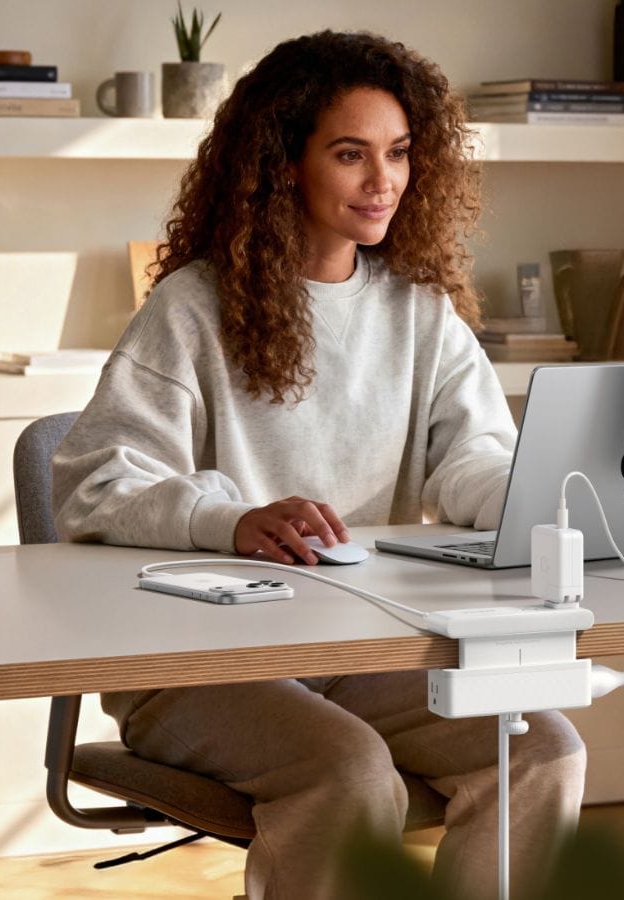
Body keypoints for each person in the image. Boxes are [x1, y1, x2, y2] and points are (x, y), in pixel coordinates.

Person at [51, 29, 586, 900]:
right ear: (284, 164)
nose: (384, 180)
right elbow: (93, 483)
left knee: (541, 748)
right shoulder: (192, 308)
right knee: (350, 773)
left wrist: (551, 496)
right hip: (197, 663)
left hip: (360, 645)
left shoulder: (419, 312)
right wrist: (230, 519)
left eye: (400, 153)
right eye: (351, 154)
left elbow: (473, 460)